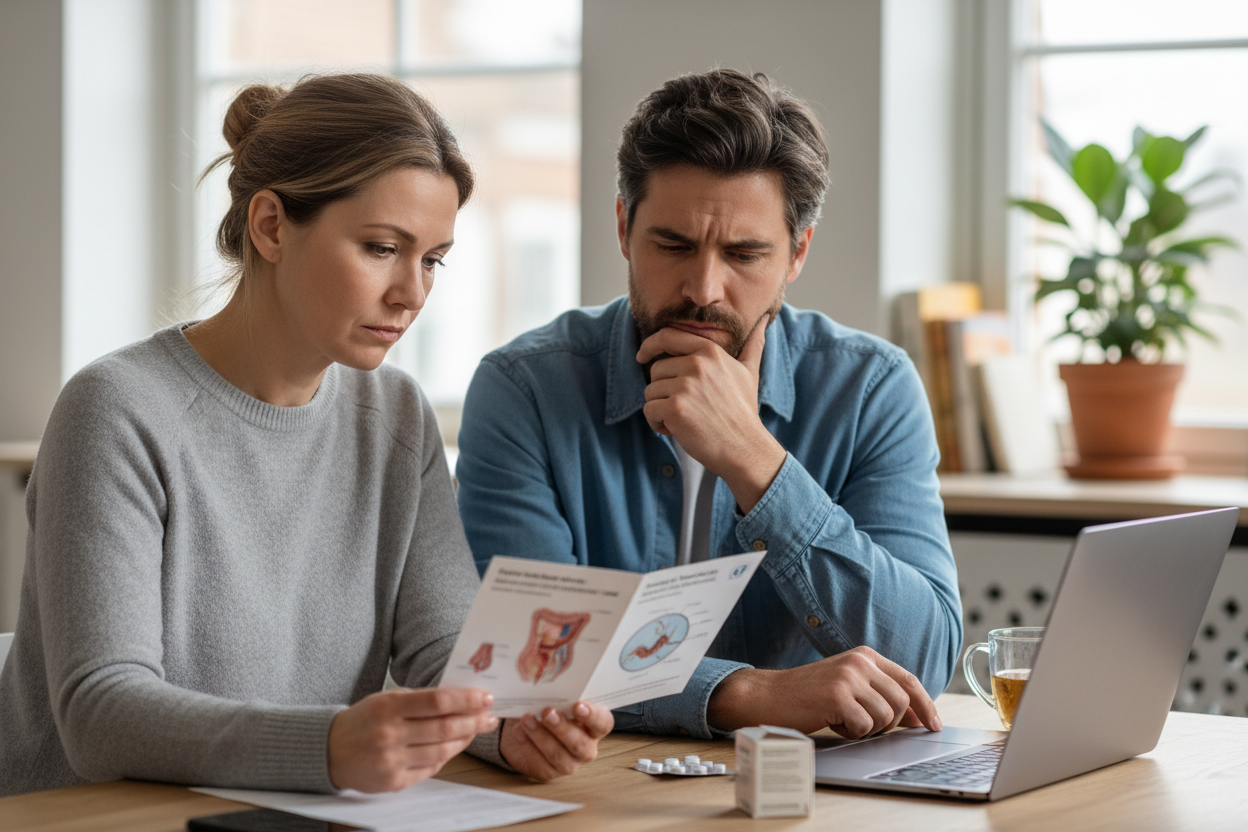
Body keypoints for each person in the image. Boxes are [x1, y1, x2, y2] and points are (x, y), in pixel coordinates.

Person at [0, 73, 610, 798]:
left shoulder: (396, 416)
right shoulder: (116, 411)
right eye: (383, 247)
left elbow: (444, 649)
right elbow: (101, 712)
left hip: (292, 811)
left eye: (433, 259)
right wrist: (325, 745)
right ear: (271, 227)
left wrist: (506, 723)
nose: (413, 292)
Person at [456, 69, 962, 741]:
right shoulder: (525, 390)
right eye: (673, 245)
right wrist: (748, 693)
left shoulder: (871, 388)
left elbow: (923, 659)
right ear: (622, 227)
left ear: (797, 254)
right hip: (603, 793)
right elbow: (529, 658)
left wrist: (757, 462)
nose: (703, 288)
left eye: (745, 253)